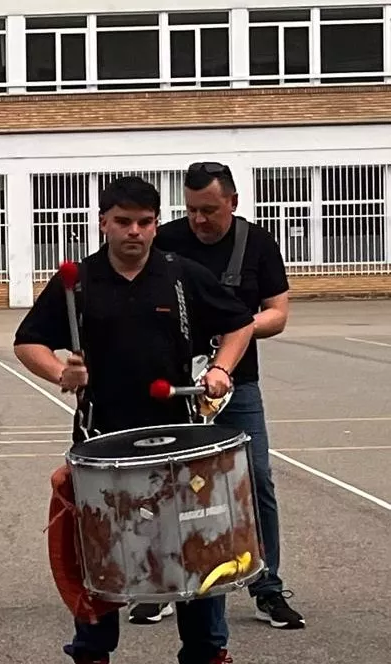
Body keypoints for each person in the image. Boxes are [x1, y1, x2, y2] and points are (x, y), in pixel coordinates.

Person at [13, 176, 262, 664]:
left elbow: (240, 323)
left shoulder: (178, 275)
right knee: (100, 554)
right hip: (104, 439)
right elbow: (27, 341)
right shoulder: (78, 282)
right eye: (122, 221)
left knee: (197, 551)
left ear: (154, 223)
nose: (134, 232)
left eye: (145, 222)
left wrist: (220, 369)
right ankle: (92, 663)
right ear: (102, 221)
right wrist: (61, 371)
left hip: (177, 436)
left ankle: (205, 663)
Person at [153, 162, 303, 630]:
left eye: (210, 210)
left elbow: (277, 313)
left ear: (233, 203)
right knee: (167, 485)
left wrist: (236, 331)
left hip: (237, 385)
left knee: (255, 481)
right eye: (192, 209)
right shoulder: (167, 241)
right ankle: (161, 586)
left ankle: (268, 587)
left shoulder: (256, 243)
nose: (199, 220)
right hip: (175, 386)